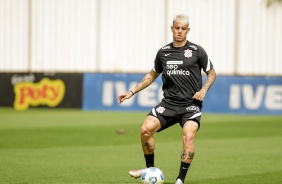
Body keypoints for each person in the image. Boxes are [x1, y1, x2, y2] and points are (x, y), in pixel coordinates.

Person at [116, 14, 216, 184]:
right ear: (172, 28)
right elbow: (152, 75)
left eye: (183, 29)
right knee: (145, 130)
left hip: (191, 105)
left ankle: (180, 180)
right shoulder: (163, 52)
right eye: (177, 28)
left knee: (188, 136)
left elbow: (211, 73)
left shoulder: (197, 51)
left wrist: (204, 89)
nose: (179, 31)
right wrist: (132, 92)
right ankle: (149, 170)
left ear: (188, 30)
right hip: (169, 104)